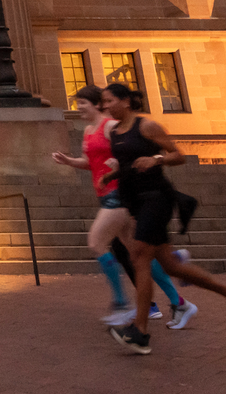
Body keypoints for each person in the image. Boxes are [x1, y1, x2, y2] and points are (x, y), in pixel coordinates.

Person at [97, 82, 226, 355]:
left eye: (109, 101)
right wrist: (113, 175)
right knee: (171, 265)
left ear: (125, 101)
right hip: (136, 202)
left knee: (139, 257)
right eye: (103, 102)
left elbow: (177, 155)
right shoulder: (115, 132)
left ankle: (140, 331)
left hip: (157, 199)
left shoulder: (146, 126)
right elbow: (127, 165)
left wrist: (156, 159)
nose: (105, 106)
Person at [49, 85, 193, 329]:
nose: (78, 107)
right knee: (139, 254)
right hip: (105, 194)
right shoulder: (88, 130)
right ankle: (179, 302)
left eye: (82, 103)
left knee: (96, 242)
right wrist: (71, 161)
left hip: (119, 194)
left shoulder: (110, 126)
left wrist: (120, 164)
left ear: (97, 104)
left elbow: (125, 153)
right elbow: (92, 163)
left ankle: (121, 304)